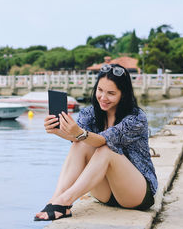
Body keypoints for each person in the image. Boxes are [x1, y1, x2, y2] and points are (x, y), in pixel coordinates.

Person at [34, 63, 157, 221]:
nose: (103, 98)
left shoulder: (135, 118)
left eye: (111, 93)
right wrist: (58, 131)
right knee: (80, 144)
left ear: (123, 94)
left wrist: (79, 133)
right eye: (100, 90)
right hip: (105, 194)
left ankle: (64, 202)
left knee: (106, 149)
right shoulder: (90, 112)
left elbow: (102, 140)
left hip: (135, 193)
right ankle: (55, 199)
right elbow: (78, 137)